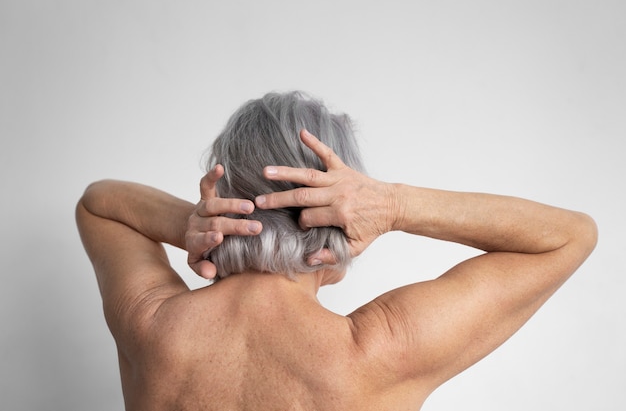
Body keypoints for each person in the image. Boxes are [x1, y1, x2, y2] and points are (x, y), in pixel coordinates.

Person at [76, 92, 597, 411]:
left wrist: (197, 223)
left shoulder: (153, 327)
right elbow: (570, 235)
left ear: (225, 189)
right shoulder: (377, 354)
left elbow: (99, 203)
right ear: (341, 214)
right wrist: (393, 204)